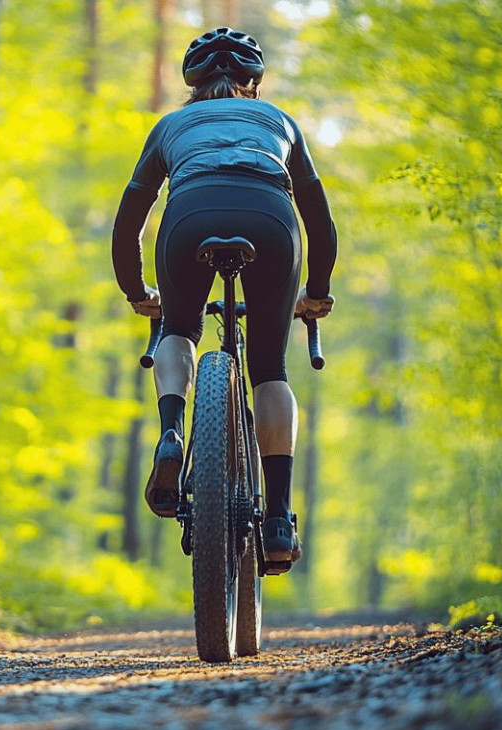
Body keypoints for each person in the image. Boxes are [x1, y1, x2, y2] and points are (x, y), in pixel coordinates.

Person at [111, 27, 337, 572]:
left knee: (179, 330)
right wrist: (318, 292)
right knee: (269, 369)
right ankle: (279, 517)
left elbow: (130, 220)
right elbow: (320, 223)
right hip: (270, 219)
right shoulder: (280, 122)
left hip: (191, 215)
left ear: (191, 85)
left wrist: (137, 291)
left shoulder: (171, 125)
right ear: (252, 81)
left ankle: (171, 432)